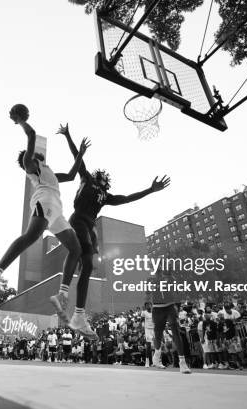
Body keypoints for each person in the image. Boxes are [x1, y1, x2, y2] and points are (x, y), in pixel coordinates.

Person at [0, 108, 90, 328]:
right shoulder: (31, 165)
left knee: (76, 249)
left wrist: (80, 155)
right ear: (26, 160)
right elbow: (31, 136)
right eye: (29, 154)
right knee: (31, 236)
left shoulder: (47, 170)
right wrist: (21, 121)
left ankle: (62, 294)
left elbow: (69, 175)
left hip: (57, 210)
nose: (35, 154)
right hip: (45, 202)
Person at [57, 124, 169, 337]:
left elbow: (126, 198)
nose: (104, 180)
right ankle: (64, 291)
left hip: (90, 227)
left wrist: (150, 190)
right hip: (79, 219)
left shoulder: (106, 196)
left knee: (89, 267)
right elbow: (77, 160)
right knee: (85, 260)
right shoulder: (87, 179)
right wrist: (69, 136)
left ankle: (78, 314)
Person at [148, 269, 191, 374]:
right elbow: (148, 293)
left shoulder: (170, 278)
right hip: (157, 308)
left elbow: (177, 291)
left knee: (176, 331)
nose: (159, 273)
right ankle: (157, 354)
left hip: (170, 307)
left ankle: (182, 362)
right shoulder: (150, 280)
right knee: (158, 335)